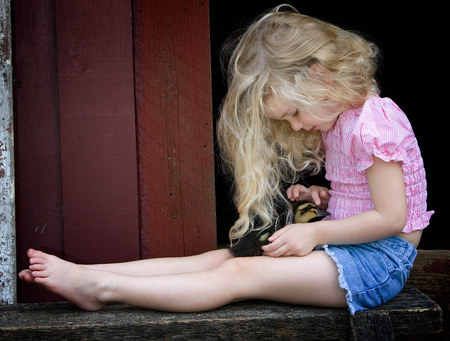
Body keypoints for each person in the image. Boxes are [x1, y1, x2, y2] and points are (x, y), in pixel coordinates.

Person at [19, 5, 433, 315]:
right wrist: (323, 198)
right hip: (352, 249)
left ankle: (104, 290)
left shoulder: (375, 122)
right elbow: (368, 198)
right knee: (224, 257)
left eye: (292, 112)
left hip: (378, 264)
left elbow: (392, 218)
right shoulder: (341, 121)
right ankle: (92, 273)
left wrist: (315, 235)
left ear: (319, 75)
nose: (298, 124)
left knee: (239, 274)